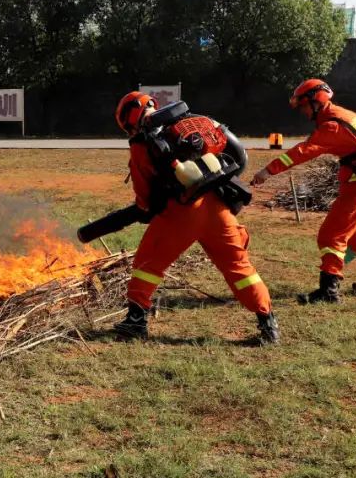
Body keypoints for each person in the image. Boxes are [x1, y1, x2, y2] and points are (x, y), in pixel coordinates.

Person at [114, 92, 279, 344]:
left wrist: (145, 209)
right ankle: (267, 322)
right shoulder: (192, 124)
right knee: (240, 268)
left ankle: (136, 321)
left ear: (129, 120)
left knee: (148, 263)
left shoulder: (142, 142)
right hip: (219, 209)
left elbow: (144, 194)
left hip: (180, 212)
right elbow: (238, 157)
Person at [251, 79, 356, 303]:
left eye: (304, 106)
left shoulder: (332, 126)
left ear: (317, 101)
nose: (303, 112)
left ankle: (329, 290)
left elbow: (302, 151)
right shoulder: (345, 115)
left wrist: (268, 171)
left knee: (331, 235)